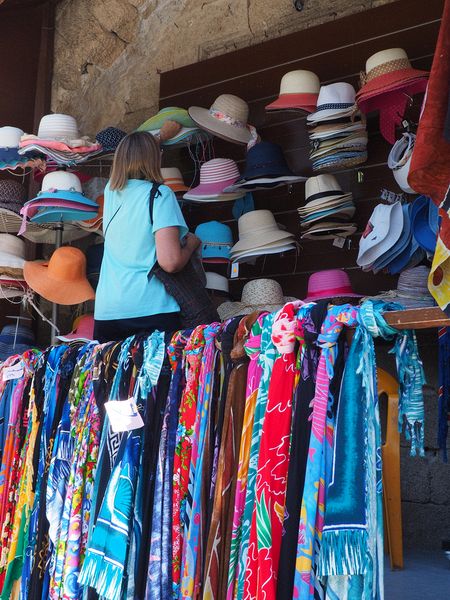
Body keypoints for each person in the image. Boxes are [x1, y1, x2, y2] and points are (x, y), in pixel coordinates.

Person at [94, 130, 200, 343]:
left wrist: (151, 142)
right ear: (155, 158)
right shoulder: (160, 195)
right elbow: (170, 263)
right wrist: (190, 245)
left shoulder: (111, 193)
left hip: (108, 311)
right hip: (150, 308)